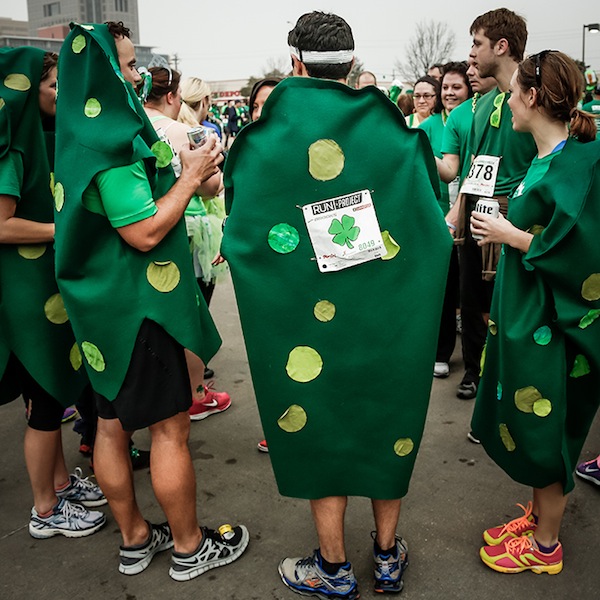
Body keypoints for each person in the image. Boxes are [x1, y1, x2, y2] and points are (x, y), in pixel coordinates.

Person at [222, 11, 451, 598]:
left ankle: (333, 567)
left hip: (303, 330)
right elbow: (430, 230)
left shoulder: (262, 142)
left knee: (319, 420)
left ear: (295, 63)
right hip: (386, 323)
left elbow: (243, 238)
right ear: (350, 64)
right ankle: (387, 558)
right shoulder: (397, 135)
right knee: (388, 419)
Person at [54, 21, 248, 580]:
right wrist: (190, 176)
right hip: (138, 311)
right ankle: (189, 547)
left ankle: (136, 539)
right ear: (105, 73)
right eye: (128, 64)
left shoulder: (77, 134)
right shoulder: (110, 147)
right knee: (168, 429)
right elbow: (141, 232)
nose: (138, 75)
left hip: (101, 312)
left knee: (111, 426)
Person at [470, 50, 599, 575]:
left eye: (512, 94)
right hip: (528, 318)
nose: (507, 104)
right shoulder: (544, 159)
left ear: (531, 96)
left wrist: (511, 235)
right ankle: (538, 516)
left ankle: (546, 547)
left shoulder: (581, 164)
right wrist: (506, 227)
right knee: (530, 418)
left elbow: (585, 254)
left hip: (555, 325)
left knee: (549, 431)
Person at [0, 47, 107, 539]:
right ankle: (45, 510)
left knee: (51, 391)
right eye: (53, 85)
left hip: (45, 291)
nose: (62, 93)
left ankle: (60, 485)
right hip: (25, 300)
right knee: (44, 404)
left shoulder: (40, 139)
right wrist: (60, 230)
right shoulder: (12, 150)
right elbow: (2, 225)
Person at [442, 8, 537, 401]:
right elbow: (469, 167)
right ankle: (475, 373)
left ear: (501, 46)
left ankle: (509, 381)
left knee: (507, 304)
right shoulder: (479, 105)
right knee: (471, 298)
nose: (471, 53)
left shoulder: (534, 92)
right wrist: (458, 210)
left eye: (477, 43)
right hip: (475, 209)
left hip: (514, 216)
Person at [144, 66, 231, 417]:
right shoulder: (182, 131)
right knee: (189, 312)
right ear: (171, 96)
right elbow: (210, 188)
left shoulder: (130, 126)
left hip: (132, 232)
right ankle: (195, 393)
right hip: (175, 230)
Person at [419, 62, 472, 379]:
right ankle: (441, 353)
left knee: (470, 290)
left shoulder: (473, 119)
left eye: (457, 87)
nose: (449, 93)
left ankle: (474, 361)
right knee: (444, 286)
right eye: (446, 88)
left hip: (472, 215)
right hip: (438, 219)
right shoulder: (427, 127)